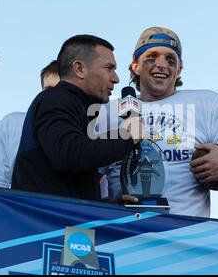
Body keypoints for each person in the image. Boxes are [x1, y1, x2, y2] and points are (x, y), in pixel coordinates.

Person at [102, 27, 218, 217]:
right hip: (120, 236)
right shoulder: (107, 111)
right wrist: (110, 207)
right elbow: (84, 186)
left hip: (184, 237)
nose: (162, 64)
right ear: (135, 66)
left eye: (171, 60)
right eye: (152, 57)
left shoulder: (206, 103)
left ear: (179, 70)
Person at [11, 34, 140, 200]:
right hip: (46, 223)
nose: (116, 78)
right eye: (109, 68)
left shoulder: (78, 107)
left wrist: (110, 208)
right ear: (80, 69)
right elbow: (69, 155)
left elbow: (67, 185)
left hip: (64, 222)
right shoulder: (55, 100)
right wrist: (127, 137)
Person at [0, 60, 60, 254]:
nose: (52, 97)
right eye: (47, 89)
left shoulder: (90, 131)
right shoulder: (12, 125)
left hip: (67, 237)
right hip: (21, 234)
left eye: (60, 89)